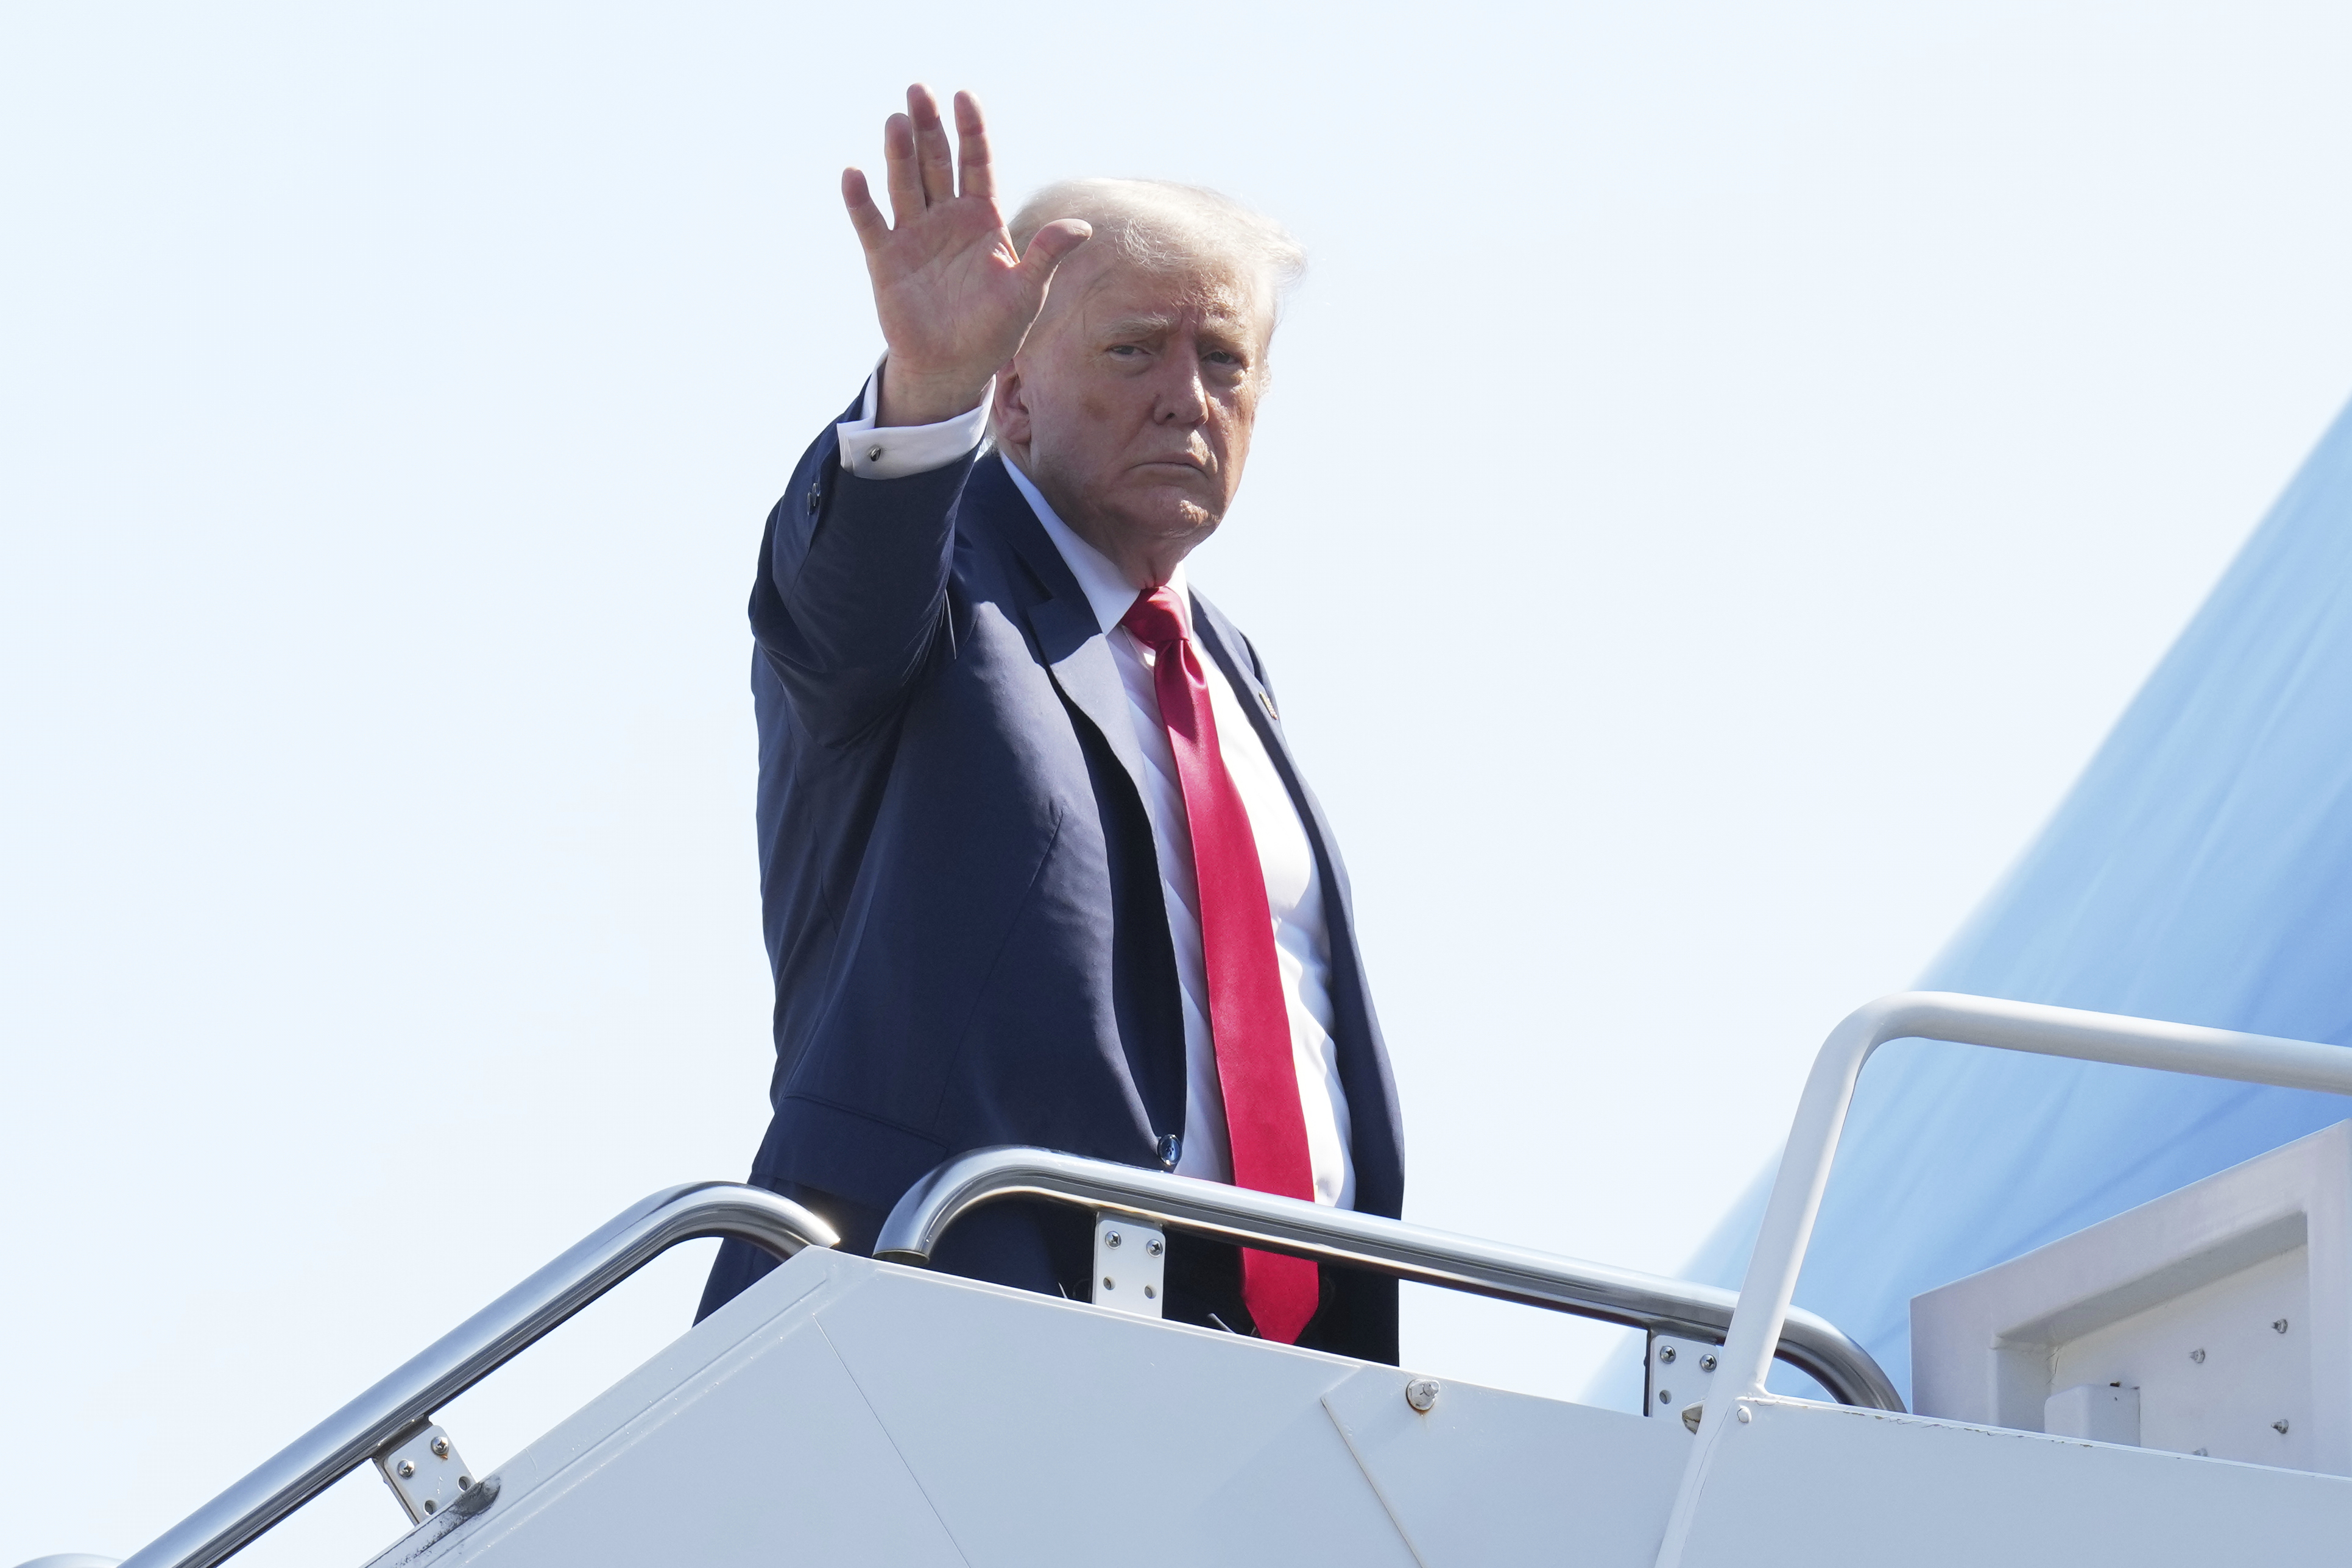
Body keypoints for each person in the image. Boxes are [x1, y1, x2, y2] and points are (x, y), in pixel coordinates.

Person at [695, 85, 1405, 1361]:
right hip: (955, 1328)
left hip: (1269, 1377)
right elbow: (838, 602)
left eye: (1223, 359)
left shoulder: (1226, 671)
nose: (1188, 396)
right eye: (1134, 350)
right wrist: (922, 397)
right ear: (1012, 399)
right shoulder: (940, 577)